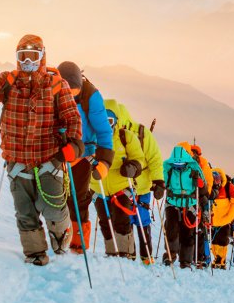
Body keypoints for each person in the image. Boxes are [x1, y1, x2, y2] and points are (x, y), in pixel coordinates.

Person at [0, 36, 83, 265]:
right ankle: (35, 254)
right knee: (25, 213)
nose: (28, 61)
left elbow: (72, 118)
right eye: (23, 56)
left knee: (53, 208)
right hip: (17, 160)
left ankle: (61, 232)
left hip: (49, 158)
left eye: (33, 56)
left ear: (42, 56)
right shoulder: (8, 81)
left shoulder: (57, 84)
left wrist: (75, 145)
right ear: (17, 57)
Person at [56, 62, 114, 254]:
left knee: (78, 198)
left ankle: (78, 243)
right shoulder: (51, 90)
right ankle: (59, 237)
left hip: (83, 153)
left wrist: (105, 161)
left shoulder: (91, 96)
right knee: (56, 196)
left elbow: (103, 130)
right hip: (58, 151)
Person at [91, 99, 146, 258]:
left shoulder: (125, 137)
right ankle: (111, 252)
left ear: (116, 120)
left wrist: (133, 167)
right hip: (98, 187)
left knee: (121, 221)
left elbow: (139, 158)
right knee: (105, 222)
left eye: (110, 121)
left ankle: (125, 252)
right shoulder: (93, 137)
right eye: (103, 121)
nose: (107, 125)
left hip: (121, 187)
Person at [125, 113, 164, 264]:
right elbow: (155, 161)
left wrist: (158, 181)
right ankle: (138, 254)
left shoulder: (139, 137)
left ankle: (138, 254)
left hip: (138, 188)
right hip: (133, 187)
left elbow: (154, 160)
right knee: (134, 220)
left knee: (139, 219)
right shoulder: (139, 136)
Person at [161, 144, 207, 268]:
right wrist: (159, 186)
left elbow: (203, 190)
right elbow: (162, 181)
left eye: (181, 165)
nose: (178, 167)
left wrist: (201, 185)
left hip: (189, 205)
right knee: (171, 229)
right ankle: (170, 255)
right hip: (172, 203)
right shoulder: (168, 168)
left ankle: (185, 261)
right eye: (176, 165)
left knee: (188, 232)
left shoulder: (194, 169)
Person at [208, 168, 234, 269]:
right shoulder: (210, 188)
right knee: (214, 241)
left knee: (222, 240)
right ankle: (217, 258)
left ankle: (220, 259)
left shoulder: (228, 187)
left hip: (225, 219)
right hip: (214, 220)